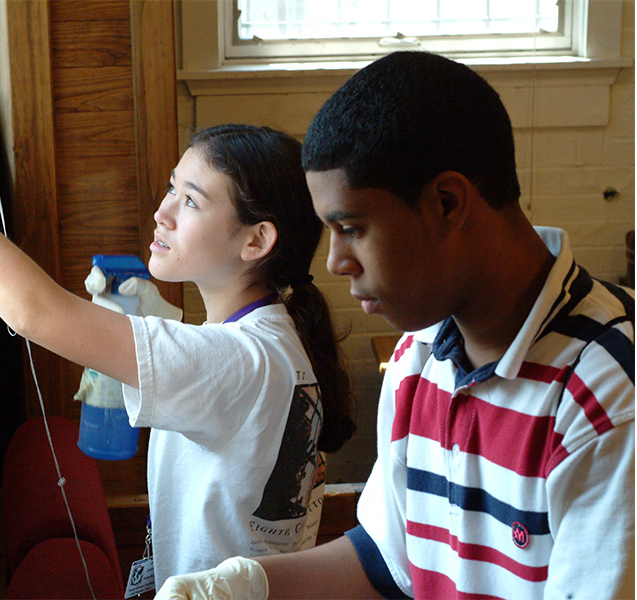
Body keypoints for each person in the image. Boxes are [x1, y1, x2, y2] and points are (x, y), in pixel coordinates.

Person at [157, 50, 635, 599]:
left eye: (352, 227)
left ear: (447, 203)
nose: (336, 261)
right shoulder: (420, 356)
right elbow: (387, 563)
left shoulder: (605, 392)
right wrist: (248, 585)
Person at [0, 48, 356, 589]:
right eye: (172, 187)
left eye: (191, 202)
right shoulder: (266, 341)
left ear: (256, 240)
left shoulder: (236, 362)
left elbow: (33, 309)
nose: (163, 211)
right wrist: (159, 319)